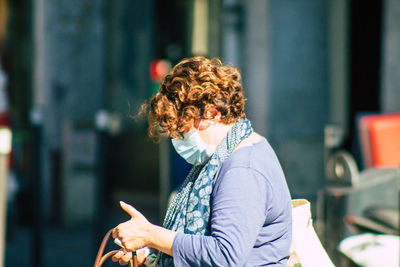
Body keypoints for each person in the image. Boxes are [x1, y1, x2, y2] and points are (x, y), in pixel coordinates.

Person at [112, 57, 292, 266]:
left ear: (212, 113)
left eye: (181, 129)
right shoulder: (228, 154)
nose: (177, 139)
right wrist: (153, 254)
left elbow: (225, 255)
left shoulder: (242, 169)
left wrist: (151, 235)